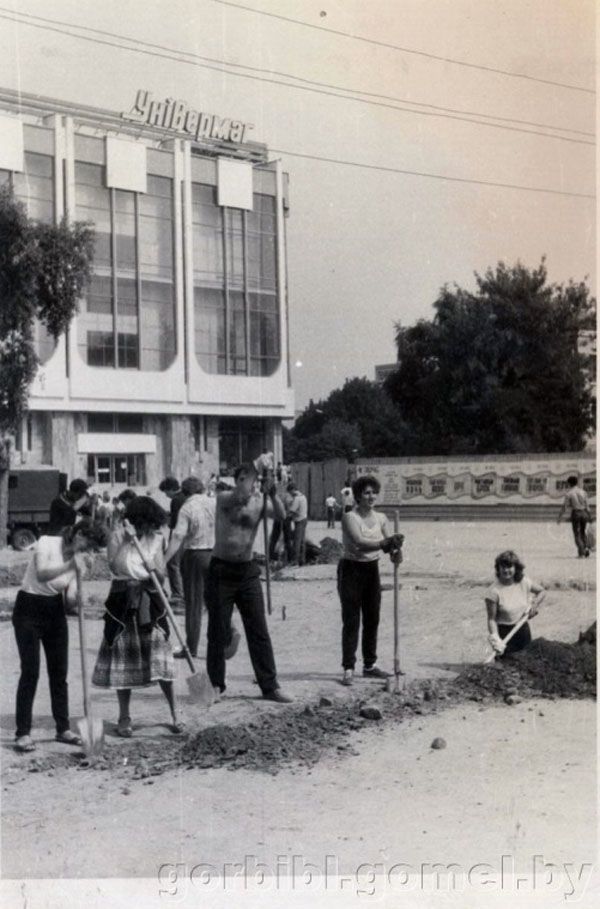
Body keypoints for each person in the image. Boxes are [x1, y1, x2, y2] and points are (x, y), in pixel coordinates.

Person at [12, 518, 108, 753]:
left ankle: (63, 728)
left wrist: (79, 595)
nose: (87, 551)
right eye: (87, 545)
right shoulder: (46, 542)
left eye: (91, 549)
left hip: (54, 611)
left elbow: (70, 599)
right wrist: (71, 566)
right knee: (30, 671)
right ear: (78, 534)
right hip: (28, 609)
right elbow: (43, 574)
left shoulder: (79, 562)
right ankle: (23, 733)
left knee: (59, 672)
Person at [91, 497, 184, 737]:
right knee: (123, 659)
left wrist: (155, 568)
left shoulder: (158, 539)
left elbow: (161, 575)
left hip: (150, 599)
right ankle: (124, 717)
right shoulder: (117, 536)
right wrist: (127, 542)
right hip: (122, 600)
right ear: (135, 521)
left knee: (160, 656)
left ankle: (175, 713)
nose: (148, 529)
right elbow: (114, 567)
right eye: (145, 525)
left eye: (152, 525)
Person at [205, 463, 293, 703]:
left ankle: (269, 686)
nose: (248, 484)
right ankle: (215, 685)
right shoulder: (224, 498)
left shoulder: (259, 502)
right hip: (221, 570)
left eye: (251, 480)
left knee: (258, 630)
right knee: (217, 631)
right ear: (236, 480)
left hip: (247, 572)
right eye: (243, 479)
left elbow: (283, 516)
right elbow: (239, 494)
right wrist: (255, 472)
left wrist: (272, 493)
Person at [338, 475, 403, 686]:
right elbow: (359, 543)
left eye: (374, 492)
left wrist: (396, 551)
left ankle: (369, 665)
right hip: (351, 569)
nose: (371, 496)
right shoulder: (350, 517)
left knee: (372, 618)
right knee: (351, 620)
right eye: (366, 493)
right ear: (357, 496)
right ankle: (348, 667)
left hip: (371, 571)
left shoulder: (382, 518)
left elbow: (390, 547)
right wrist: (386, 543)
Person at [164, 476, 226, 660]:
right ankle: (224, 639)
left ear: (184, 492)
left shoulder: (188, 507)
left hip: (195, 554)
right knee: (217, 600)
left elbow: (177, 536)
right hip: (216, 553)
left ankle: (191, 647)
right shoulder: (215, 503)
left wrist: (164, 560)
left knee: (194, 604)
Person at [485, 550, 545, 658]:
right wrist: (495, 639)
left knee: (526, 663)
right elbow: (491, 619)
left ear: (516, 568)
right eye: (503, 567)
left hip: (523, 629)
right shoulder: (493, 591)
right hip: (504, 633)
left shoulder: (524, 582)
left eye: (509, 567)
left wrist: (534, 604)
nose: (506, 570)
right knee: (506, 669)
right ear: (498, 568)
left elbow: (542, 591)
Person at [159, 476, 186, 607]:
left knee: (172, 564)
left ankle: (177, 594)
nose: (166, 495)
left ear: (170, 489)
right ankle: (183, 593)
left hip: (177, 535)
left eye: (165, 492)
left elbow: (174, 523)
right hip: (188, 536)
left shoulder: (175, 500)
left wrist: (168, 521)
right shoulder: (186, 496)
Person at [557, 476, 592, 558]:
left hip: (576, 513)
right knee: (583, 532)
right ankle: (586, 547)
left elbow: (564, 507)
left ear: (569, 483)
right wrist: (590, 517)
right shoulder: (583, 492)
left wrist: (560, 517)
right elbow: (588, 506)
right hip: (584, 513)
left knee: (577, 534)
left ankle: (581, 553)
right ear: (576, 482)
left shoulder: (569, 493)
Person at [287, 483, 308, 566]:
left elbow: (292, 510)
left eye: (290, 492)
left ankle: (295, 561)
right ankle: (302, 560)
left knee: (297, 541)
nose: (290, 494)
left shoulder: (297, 498)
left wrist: (286, 514)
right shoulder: (303, 496)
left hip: (299, 521)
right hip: (304, 519)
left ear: (292, 490)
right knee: (302, 541)